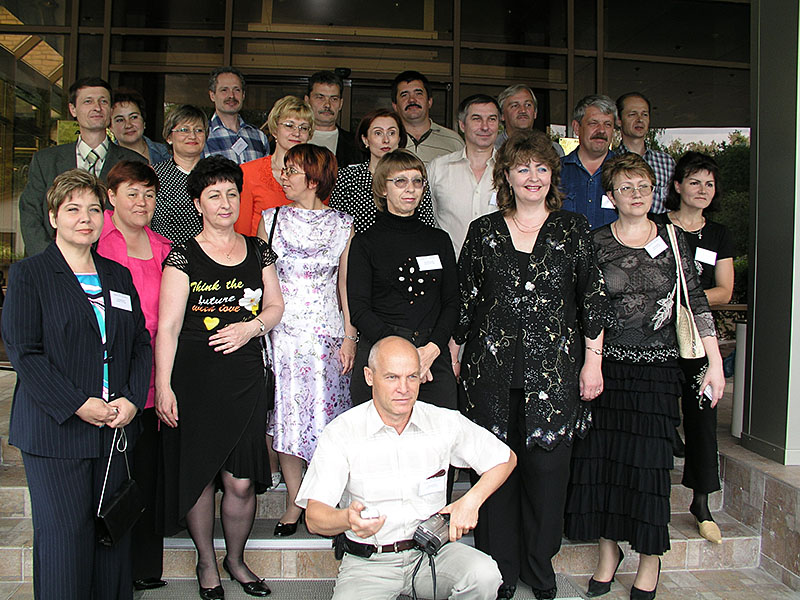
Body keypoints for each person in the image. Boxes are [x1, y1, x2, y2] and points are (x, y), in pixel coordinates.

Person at [455, 130, 613, 600]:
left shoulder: (573, 230)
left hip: (555, 376)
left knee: (547, 479)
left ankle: (539, 570)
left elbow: (593, 301)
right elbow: (464, 302)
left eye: (542, 168)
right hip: (489, 377)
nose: (533, 177)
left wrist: (593, 364)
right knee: (494, 475)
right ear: (506, 175)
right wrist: (454, 356)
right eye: (522, 168)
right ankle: (499, 572)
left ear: (552, 176)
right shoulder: (483, 232)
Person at [564, 153, 726, 600]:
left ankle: (650, 560)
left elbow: (695, 302)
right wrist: (590, 363)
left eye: (643, 186)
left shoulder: (673, 239)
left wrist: (714, 363)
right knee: (604, 464)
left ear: (654, 192)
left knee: (650, 467)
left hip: (658, 372)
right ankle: (608, 553)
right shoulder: (595, 241)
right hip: (607, 371)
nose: (636, 195)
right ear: (610, 195)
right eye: (626, 187)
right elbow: (588, 308)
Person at [3, 169, 151, 600]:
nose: (85, 218)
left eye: (93, 209)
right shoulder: (30, 274)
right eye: (73, 209)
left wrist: (131, 399)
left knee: (112, 537)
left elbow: (140, 342)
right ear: (53, 217)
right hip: (57, 431)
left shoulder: (117, 275)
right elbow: (24, 352)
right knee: (65, 541)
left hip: (114, 430)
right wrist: (77, 404)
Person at [295, 336, 517, 600]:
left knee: (484, 575)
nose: (404, 388)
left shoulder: (442, 422)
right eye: (392, 377)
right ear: (369, 377)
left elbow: (506, 458)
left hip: (432, 554)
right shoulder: (342, 432)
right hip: (370, 564)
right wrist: (347, 519)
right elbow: (314, 518)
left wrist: (471, 501)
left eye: (412, 377)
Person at [156, 156, 284, 599]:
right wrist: (163, 386)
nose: (225, 202)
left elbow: (275, 307)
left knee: (241, 480)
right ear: (198, 203)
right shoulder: (182, 255)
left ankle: (236, 559)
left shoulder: (259, 249)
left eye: (232, 193)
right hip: (195, 378)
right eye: (214, 195)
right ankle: (206, 563)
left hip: (245, 377)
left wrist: (250, 328)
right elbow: (168, 327)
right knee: (200, 477)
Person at [255, 143, 355, 537]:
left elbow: (344, 284)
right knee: (286, 417)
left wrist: (350, 335)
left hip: (327, 333)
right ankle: (294, 501)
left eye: (292, 171)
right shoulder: (270, 219)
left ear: (314, 179)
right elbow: (262, 280)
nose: (284, 177)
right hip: (281, 331)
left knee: (328, 418)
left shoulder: (343, 224)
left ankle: (326, 500)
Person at [651, 151, 735, 545]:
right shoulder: (656, 226)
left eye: (709, 183)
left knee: (702, 418)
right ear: (678, 186)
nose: (702, 189)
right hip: (657, 336)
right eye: (695, 181)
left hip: (699, 337)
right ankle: (652, 500)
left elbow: (725, 290)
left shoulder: (718, 234)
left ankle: (702, 504)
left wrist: (684, 299)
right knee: (656, 415)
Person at [95, 160, 171, 592]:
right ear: (112, 197)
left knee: (146, 472)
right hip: (112, 374)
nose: (142, 202)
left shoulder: (163, 247)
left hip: (156, 372)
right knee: (111, 475)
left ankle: (144, 567)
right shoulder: (98, 241)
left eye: (149, 194)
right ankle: (112, 569)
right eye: (132, 193)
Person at [347, 149, 459, 408]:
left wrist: (431, 349)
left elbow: (452, 302)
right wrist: (406, 354)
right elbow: (359, 310)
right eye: (400, 181)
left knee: (439, 431)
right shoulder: (365, 243)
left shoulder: (439, 240)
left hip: (431, 357)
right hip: (381, 354)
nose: (411, 188)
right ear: (382, 189)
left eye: (417, 181)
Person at [19, 77, 145, 256]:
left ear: (110, 110)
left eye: (103, 101)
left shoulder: (135, 163)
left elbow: (141, 216)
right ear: (73, 109)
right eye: (88, 101)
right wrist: (51, 259)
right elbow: (30, 213)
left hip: (115, 262)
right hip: (52, 262)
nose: (97, 107)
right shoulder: (45, 160)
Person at [330, 109, 436, 234]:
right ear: (365, 139)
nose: (386, 140)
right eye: (378, 133)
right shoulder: (347, 178)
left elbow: (427, 226)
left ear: (399, 138)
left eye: (391, 133)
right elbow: (335, 227)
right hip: (358, 245)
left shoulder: (414, 178)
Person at [427, 94, 500, 257]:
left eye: (492, 119)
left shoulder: (512, 170)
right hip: (449, 266)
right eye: (477, 119)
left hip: (497, 268)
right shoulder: (438, 168)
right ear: (462, 125)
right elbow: (426, 220)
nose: (485, 127)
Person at [236, 96, 314, 236]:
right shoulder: (248, 172)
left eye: (303, 128)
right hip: (259, 248)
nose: (297, 133)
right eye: (289, 125)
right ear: (274, 130)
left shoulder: (316, 175)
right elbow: (241, 230)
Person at [151, 105, 208, 244]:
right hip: (166, 253)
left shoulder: (216, 175)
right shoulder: (154, 175)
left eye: (199, 130)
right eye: (184, 130)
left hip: (210, 254)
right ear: (169, 137)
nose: (192, 136)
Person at [560, 94, 618, 229]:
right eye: (593, 123)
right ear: (576, 127)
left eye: (607, 124)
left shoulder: (625, 171)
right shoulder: (556, 171)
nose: (601, 130)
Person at [615, 92, 675, 214]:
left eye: (644, 114)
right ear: (619, 120)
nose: (640, 119)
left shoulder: (666, 162)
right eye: (632, 114)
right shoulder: (610, 161)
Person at [391, 70, 464, 163]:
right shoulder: (386, 141)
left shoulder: (454, 141)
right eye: (404, 95)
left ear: (429, 101)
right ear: (395, 106)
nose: (412, 100)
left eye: (418, 94)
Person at [203, 67, 270, 164]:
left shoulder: (259, 137)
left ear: (243, 95)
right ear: (212, 95)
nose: (231, 96)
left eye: (237, 90)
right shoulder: (203, 136)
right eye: (224, 90)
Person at [305, 70, 363, 167]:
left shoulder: (356, 145)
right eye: (320, 97)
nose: (327, 105)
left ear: (341, 104)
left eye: (334, 99)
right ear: (307, 101)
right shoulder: (293, 139)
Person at [495, 84, 564, 157]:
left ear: (535, 113)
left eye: (528, 105)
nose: (523, 110)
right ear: (502, 115)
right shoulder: (492, 147)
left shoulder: (553, 149)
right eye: (515, 105)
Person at [110, 88, 170, 165]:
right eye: (120, 120)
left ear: (143, 121)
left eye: (134, 117)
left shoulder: (167, 153)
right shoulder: (106, 160)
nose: (128, 125)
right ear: (110, 127)